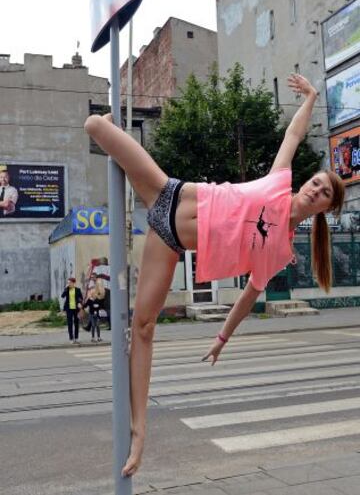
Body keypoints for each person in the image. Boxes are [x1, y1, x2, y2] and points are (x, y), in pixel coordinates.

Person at [84, 74, 345, 477]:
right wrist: (310, 97)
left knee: (145, 326)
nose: (314, 190)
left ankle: (139, 432)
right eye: (316, 181)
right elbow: (293, 135)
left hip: (170, 242)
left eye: (324, 192)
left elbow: (248, 296)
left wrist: (222, 338)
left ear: (327, 208)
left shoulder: (280, 252)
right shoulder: (278, 181)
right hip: (167, 192)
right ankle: (136, 430)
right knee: (95, 126)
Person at [61, 277, 83, 344]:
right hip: (69, 309)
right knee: (70, 324)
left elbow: (81, 298)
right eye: (68, 283)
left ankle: (76, 338)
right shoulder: (67, 289)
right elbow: (62, 296)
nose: (69, 284)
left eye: (70, 282)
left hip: (76, 309)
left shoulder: (77, 290)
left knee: (76, 323)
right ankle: (71, 338)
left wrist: (79, 302)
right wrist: (66, 289)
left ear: (73, 283)